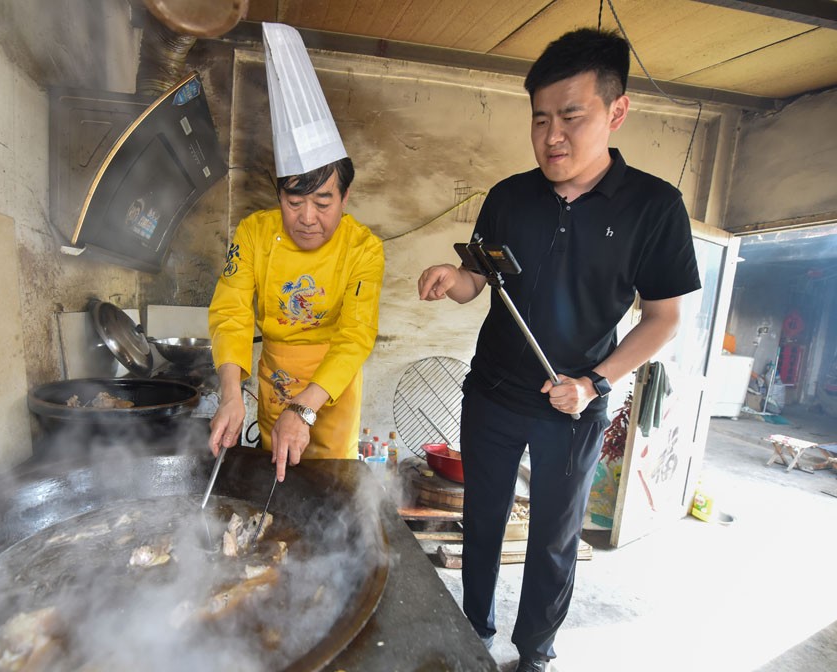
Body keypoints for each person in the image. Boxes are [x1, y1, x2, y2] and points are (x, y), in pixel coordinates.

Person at [417, 28, 701, 672]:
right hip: (492, 393)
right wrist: (451, 277)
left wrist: (595, 383)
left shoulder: (655, 207)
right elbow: (480, 281)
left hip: (572, 407)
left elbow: (663, 319)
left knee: (552, 538)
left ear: (616, 111)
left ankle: (535, 654)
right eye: (540, 119)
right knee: (482, 523)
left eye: (572, 117)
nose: (553, 137)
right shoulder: (508, 197)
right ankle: (473, 629)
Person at [207, 23, 384, 482]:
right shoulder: (254, 233)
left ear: (345, 198)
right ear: (279, 194)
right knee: (276, 487)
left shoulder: (363, 248)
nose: (307, 218)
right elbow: (231, 312)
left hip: (332, 393)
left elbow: (356, 336)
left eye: (323, 202)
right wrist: (231, 393)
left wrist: (305, 409)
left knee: (331, 491)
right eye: (294, 201)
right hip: (274, 388)